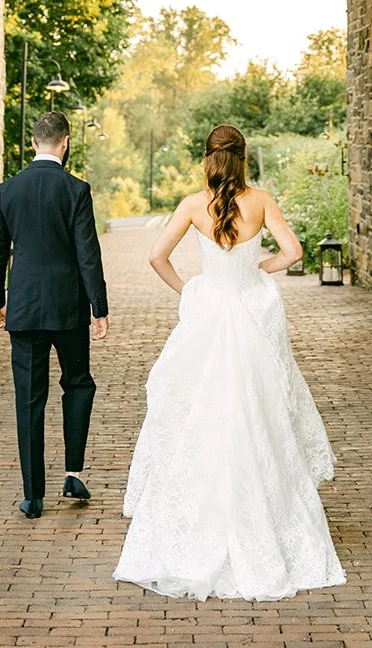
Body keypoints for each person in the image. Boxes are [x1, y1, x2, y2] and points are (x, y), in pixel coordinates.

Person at [114, 124, 345, 601]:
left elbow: (158, 257)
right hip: (249, 317)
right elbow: (295, 252)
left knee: (198, 413)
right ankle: (259, 512)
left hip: (209, 318)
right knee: (257, 414)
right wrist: (261, 268)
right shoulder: (260, 200)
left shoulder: (192, 205)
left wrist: (191, 292)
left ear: (208, 158)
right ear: (242, 158)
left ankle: (201, 514)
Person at [0, 110, 109, 519]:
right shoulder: (76, 189)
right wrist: (99, 308)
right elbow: (88, 255)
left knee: (29, 399)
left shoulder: (8, 190)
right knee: (77, 384)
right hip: (69, 309)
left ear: (35, 143)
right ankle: (73, 473)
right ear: (66, 142)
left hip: (23, 309)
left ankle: (33, 496)